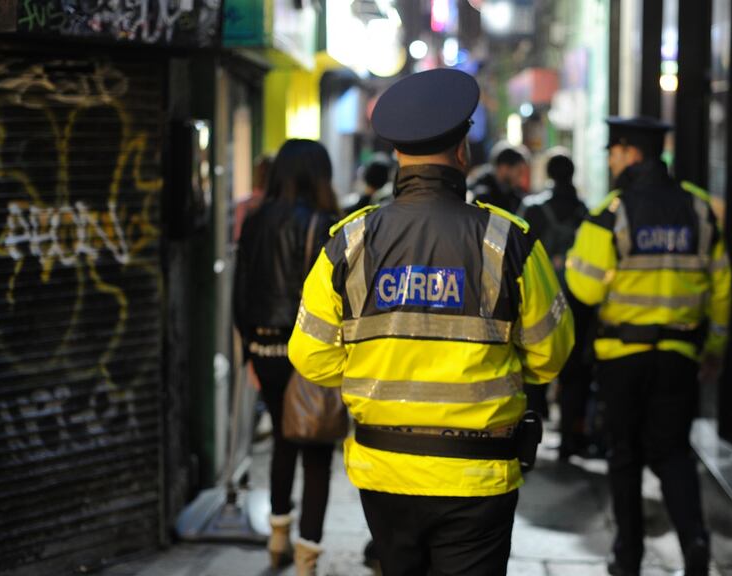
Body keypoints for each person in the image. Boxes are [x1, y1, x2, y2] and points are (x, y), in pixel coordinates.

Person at [288, 68, 574, 576]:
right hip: (477, 476)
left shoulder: (350, 243)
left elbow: (310, 354)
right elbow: (551, 355)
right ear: (463, 153)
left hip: (384, 472)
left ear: (398, 155)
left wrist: (373, 374)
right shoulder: (508, 243)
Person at [565, 117, 732, 576]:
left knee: (626, 456)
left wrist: (580, 260)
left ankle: (628, 556)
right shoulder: (700, 209)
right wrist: (715, 345)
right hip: (680, 355)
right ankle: (695, 541)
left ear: (631, 154)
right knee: (673, 450)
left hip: (623, 356)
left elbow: (584, 289)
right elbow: (721, 286)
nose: (611, 160)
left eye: (614, 152)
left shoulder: (613, 210)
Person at [232, 139, 340, 575]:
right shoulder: (322, 223)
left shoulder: (255, 221)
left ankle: (278, 536)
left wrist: (248, 353)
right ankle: (306, 557)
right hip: (306, 354)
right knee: (317, 451)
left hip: (263, 349)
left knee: (282, 439)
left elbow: (240, 293)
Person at [518, 150, 594, 457]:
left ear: (548, 174)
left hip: (539, 298)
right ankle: (569, 438)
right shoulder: (586, 211)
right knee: (575, 371)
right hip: (577, 300)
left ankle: (531, 436)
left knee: (534, 367)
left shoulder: (533, 209)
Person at [469, 144, 530, 213]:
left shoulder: (516, 197)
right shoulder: (481, 198)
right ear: (504, 168)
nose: (521, 178)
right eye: (519, 172)